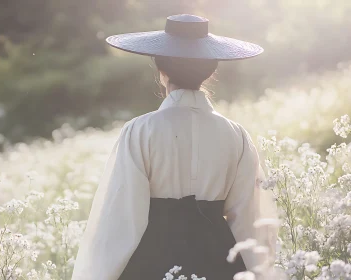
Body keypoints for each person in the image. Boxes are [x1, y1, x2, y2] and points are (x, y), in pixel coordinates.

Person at [71, 14, 278, 280]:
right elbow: (251, 221)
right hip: (219, 264)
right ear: (210, 71)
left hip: (151, 263)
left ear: (162, 71)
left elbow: (120, 219)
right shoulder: (235, 135)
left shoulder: (139, 131)